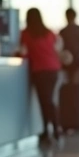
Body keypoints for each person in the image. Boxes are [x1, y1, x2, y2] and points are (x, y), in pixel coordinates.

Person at [19, 8, 63, 144]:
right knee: (49, 101)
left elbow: (24, 52)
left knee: (44, 102)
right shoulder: (49, 33)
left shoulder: (26, 34)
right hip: (53, 69)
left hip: (40, 70)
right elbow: (57, 48)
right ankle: (54, 130)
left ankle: (49, 131)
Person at [59, 8, 79, 85]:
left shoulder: (63, 32)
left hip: (68, 64)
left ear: (66, 17)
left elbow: (60, 48)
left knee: (70, 86)